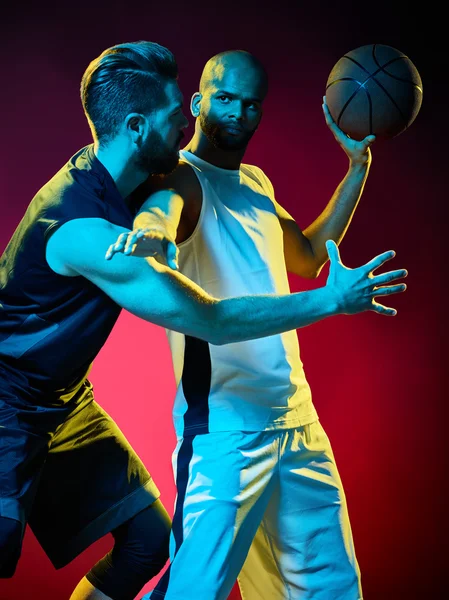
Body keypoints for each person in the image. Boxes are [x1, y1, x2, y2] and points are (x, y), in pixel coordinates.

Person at [0, 42, 405, 600]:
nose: (232, 114)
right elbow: (167, 230)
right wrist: (157, 235)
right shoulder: (141, 199)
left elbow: (309, 256)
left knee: (159, 545)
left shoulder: (241, 182)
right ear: (175, 113)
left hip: (91, 401)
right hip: (191, 425)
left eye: (251, 103)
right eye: (213, 102)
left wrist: (357, 168)